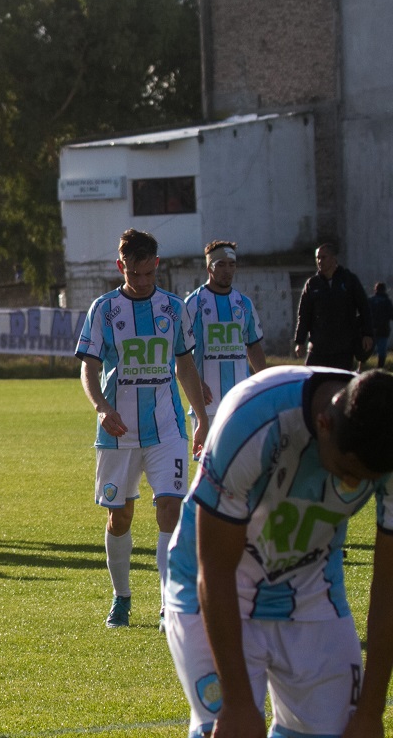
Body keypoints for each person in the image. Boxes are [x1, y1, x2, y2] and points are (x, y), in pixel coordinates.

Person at [164, 366, 393, 738]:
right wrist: (237, 704)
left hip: (311, 589)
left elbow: (389, 589)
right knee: (229, 730)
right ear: (324, 424)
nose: (353, 485)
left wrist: (370, 712)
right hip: (215, 586)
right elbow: (216, 570)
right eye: (347, 471)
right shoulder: (253, 418)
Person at [75, 228, 207, 630]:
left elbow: (184, 365)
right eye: (136, 274)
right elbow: (89, 367)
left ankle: (169, 603)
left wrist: (200, 417)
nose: (144, 281)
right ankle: (122, 597)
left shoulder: (173, 308)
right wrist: (100, 407)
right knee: (121, 517)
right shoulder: (104, 309)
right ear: (122, 267)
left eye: (150, 274)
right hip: (119, 430)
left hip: (166, 427)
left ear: (157, 266)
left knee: (170, 508)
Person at [183, 240, 267, 431]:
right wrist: (197, 384)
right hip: (207, 404)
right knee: (209, 460)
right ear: (209, 267)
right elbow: (180, 352)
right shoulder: (193, 304)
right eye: (220, 264)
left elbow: (253, 346)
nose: (227, 270)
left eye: (232, 264)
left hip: (241, 401)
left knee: (242, 459)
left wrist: (265, 383)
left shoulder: (244, 303)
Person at [293, 242, 373, 370]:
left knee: (340, 384)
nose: (320, 261)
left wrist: (367, 334)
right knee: (311, 382)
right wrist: (300, 341)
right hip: (318, 347)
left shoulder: (349, 280)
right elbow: (304, 315)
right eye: (317, 258)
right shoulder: (312, 284)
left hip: (343, 348)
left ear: (334, 259)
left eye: (323, 257)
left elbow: (364, 308)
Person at [368, 282, 392, 368]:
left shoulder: (370, 300)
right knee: (382, 351)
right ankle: (379, 368)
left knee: (366, 350)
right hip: (383, 330)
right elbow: (391, 315)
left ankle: (360, 368)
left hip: (371, 329)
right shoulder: (387, 301)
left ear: (375, 289)